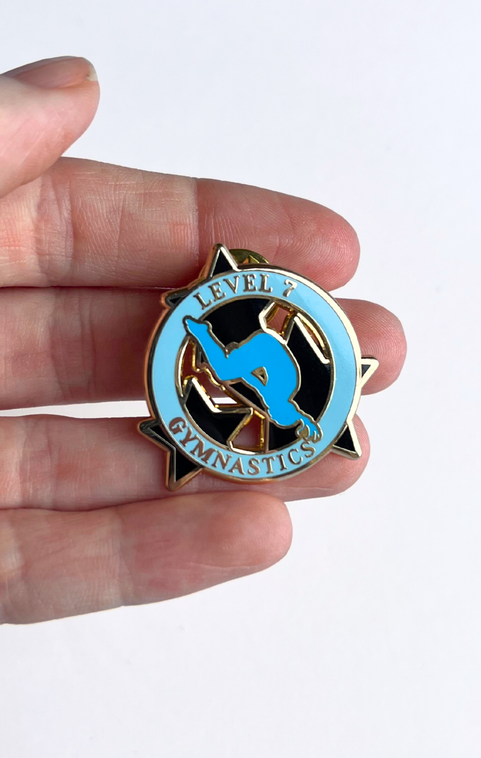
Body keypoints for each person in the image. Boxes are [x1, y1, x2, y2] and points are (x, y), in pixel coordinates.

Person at [0, 56, 406, 623]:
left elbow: (235, 371)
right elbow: (240, 370)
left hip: (248, 347)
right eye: (293, 423)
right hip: (250, 343)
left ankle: (218, 324)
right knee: (234, 363)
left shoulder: (273, 392)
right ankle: (220, 321)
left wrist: (201, 337)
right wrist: (201, 335)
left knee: (233, 368)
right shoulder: (277, 390)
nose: (281, 420)